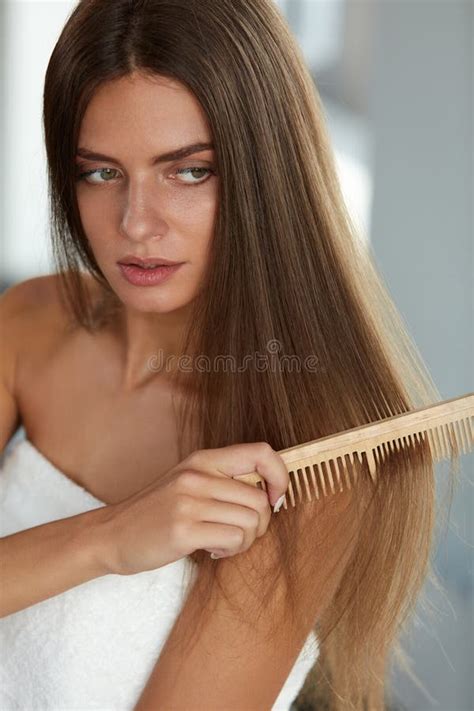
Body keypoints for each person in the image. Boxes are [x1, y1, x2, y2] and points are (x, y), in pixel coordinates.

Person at [0, 1, 457, 710]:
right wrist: (110, 536)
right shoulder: (28, 322)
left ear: (264, 173)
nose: (136, 223)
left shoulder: (306, 454)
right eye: (100, 173)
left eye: (188, 172)